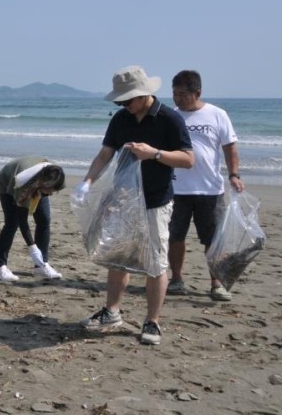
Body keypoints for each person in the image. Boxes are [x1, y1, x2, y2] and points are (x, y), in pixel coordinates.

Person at [73, 65, 193, 346]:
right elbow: (105, 154)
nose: (123, 105)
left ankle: (152, 322)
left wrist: (154, 154)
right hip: (123, 200)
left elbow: (189, 159)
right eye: (119, 101)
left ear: (144, 95)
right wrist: (88, 181)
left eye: (127, 100)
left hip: (156, 201)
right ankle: (112, 312)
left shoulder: (169, 119)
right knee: (119, 257)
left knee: (155, 263)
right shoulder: (120, 120)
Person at [167, 70, 244, 302]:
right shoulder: (172, 116)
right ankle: (177, 279)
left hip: (209, 189)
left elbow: (230, 147)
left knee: (212, 239)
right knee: (174, 236)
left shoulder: (217, 114)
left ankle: (216, 283)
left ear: (197, 92)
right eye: (174, 94)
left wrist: (234, 174)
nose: (177, 98)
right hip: (176, 189)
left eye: (182, 94)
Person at [0, 157, 66, 282]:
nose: (51, 193)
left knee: (44, 220)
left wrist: (45, 191)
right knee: (12, 223)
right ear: (42, 183)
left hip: (38, 183)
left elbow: (49, 190)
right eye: (49, 190)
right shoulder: (22, 184)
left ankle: (41, 265)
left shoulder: (56, 176)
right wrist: (32, 248)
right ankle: (0, 267)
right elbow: (23, 220)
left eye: (53, 190)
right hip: (8, 179)